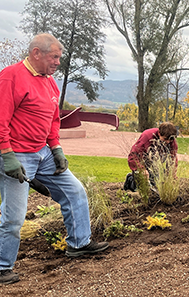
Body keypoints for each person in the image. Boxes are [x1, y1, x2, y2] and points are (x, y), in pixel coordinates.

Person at [0, 33, 108, 285]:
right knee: (14, 216)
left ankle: (79, 244)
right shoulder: (10, 77)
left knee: (75, 191)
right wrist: (7, 155)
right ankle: (2, 266)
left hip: (43, 153)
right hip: (16, 154)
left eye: (59, 57)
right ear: (36, 53)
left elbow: (52, 119)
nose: (58, 62)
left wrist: (56, 148)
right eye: (54, 56)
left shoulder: (50, 82)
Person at [125, 122, 178, 190]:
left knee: (156, 184)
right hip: (143, 161)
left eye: (170, 140)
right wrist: (142, 169)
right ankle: (131, 179)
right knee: (140, 187)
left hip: (156, 163)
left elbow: (172, 161)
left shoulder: (171, 141)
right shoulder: (147, 136)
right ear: (159, 133)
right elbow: (133, 155)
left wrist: (171, 176)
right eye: (165, 139)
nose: (167, 142)